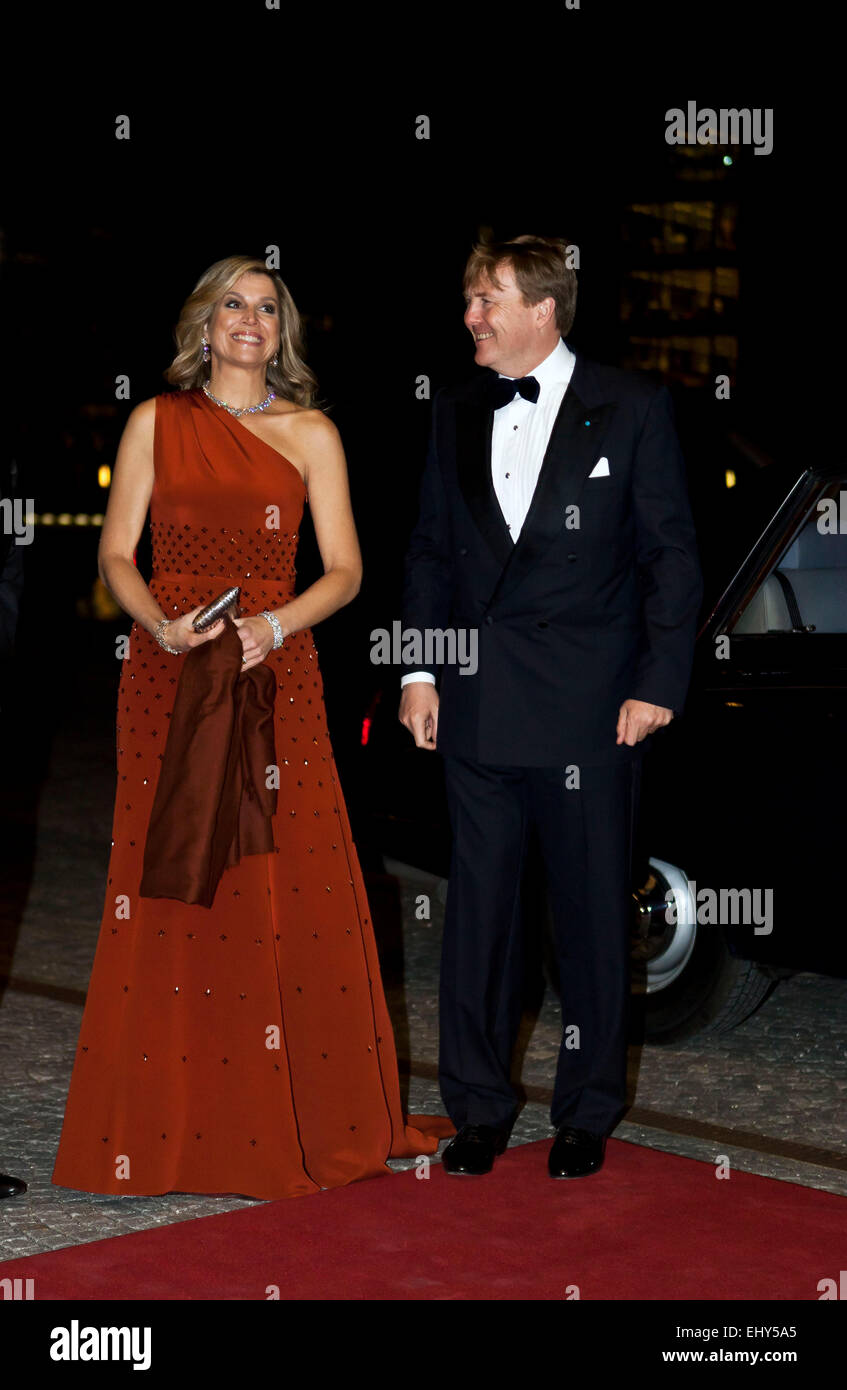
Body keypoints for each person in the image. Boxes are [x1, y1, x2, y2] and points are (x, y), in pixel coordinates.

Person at [52, 255, 452, 1200]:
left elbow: (347, 571)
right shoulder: (156, 420)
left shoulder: (312, 432)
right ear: (203, 322)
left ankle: (289, 1113)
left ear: (283, 332)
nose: (249, 319)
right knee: (168, 884)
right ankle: (163, 1124)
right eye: (232, 303)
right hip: (166, 672)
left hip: (280, 669)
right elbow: (115, 549)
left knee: (283, 882)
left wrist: (272, 627)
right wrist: (156, 623)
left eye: (266, 308)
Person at [399, 235, 702, 1179]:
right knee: (479, 918)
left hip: (590, 707)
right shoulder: (452, 409)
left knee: (587, 919)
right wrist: (417, 671)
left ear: (543, 307)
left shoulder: (634, 406)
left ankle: (585, 1111)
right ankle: (478, 1110)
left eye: (485, 299)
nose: (470, 318)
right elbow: (427, 552)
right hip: (478, 704)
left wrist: (657, 683)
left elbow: (670, 558)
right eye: (467, 298)